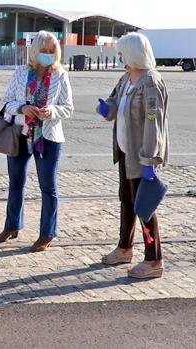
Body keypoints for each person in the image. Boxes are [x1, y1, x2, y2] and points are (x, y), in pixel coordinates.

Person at [96, 32, 168, 278]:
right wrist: (108, 108)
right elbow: (114, 101)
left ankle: (153, 259)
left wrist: (150, 160)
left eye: (122, 53)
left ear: (134, 53)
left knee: (145, 208)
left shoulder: (151, 83)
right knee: (127, 201)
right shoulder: (127, 77)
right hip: (126, 154)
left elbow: (153, 123)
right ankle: (125, 248)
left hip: (142, 157)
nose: (119, 57)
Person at [0, 31, 74, 252]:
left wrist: (51, 111)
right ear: (35, 51)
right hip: (21, 133)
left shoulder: (60, 75)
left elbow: (68, 108)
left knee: (48, 186)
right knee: (16, 183)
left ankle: (47, 233)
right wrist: (22, 107)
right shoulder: (21, 72)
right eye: (44, 51)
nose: (48, 55)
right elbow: (7, 101)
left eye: (52, 51)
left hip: (48, 137)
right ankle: (12, 226)